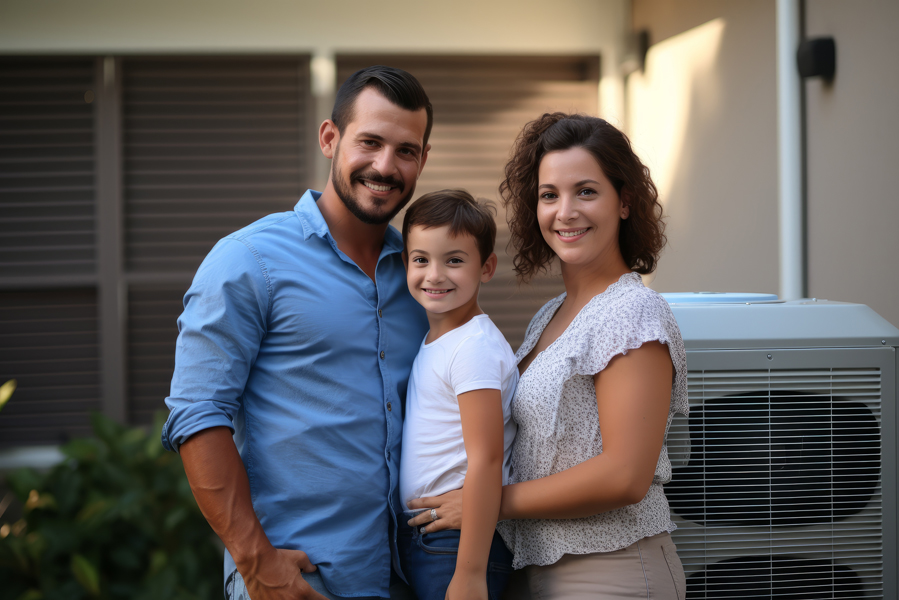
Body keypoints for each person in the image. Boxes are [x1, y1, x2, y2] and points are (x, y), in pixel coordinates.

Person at [161, 66, 433, 600]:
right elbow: (197, 416)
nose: (385, 166)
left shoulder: (425, 277)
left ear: (423, 159)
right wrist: (255, 561)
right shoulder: (248, 261)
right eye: (370, 142)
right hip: (297, 583)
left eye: (406, 150)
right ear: (330, 138)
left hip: (409, 579)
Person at [408, 113, 689, 599]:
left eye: (586, 191)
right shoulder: (550, 315)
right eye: (549, 195)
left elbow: (625, 475)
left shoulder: (633, 313)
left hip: (610, 571)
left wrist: (483, 503)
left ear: (624, 202)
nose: (565, 211)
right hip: (535, 570)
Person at [397, 190, 518, 600]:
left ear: (486, 268)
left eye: (453, 260)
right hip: (431, 536)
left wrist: (469, 574)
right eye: (421, 259)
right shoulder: (438, 339)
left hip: (458, 544)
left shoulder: (474, 347)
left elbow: (486, 456)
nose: (434, 274)